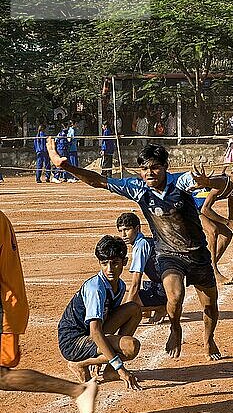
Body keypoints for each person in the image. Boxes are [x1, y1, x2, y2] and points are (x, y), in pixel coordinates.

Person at [47, 139, 221, 361]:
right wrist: (66, 167)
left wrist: (208, 181)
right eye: (144, 169)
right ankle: (175, 328)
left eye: (155, 167)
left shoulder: (182, 182)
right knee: (175, 296)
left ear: (166, 167)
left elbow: (225, 183)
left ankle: (208, 339)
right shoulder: (138, 189)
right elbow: (99, 181)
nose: (149, 173)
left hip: (198, 254)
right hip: (169, 254)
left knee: (210, 306)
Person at [0, 210, 98, 413]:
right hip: (7, 304)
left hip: (3, 309)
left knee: (1, 377)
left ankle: (77, 390)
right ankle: (77, 390)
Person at [58, 235, 142, 386]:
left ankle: (110, 370)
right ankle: (79, 364)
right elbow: (95, 332)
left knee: (134, 309)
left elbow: (108, 320)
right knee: (131, 347)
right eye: (104, 263)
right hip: (73, 342)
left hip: (90, 333)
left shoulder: (120, 286)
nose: (109, 269)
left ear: (124, 262)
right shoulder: (95, 289)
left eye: (115, 263)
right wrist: (121, 368)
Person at [192, 162, 233, 284]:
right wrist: (227, 222)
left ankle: (207, 268)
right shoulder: (222, 182)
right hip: (190, 207)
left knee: (226, 235)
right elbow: (205, 209)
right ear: (232, 172)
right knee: (213, 230)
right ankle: (213, 271)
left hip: (199, 209)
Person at [116, 212, 167, 323]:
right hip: (163, 284)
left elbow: (136, 283)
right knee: (125, 290)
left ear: (137, 228)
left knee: (126, 303)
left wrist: (125, 313)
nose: (123, 235)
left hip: (164, 289)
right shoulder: (144, 241)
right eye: (121, 231)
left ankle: (160, 307)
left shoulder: (140, 246)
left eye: (127, 230)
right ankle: (149, 308)